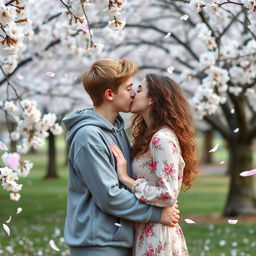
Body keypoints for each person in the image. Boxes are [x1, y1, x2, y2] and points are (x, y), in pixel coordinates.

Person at [62, 59, 180, 256]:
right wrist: (157, 214)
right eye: (128, 88)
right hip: (97, 243)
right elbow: (109, 195)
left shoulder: (116, 128)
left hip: (116, 238)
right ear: (109, 94)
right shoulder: (89, 137)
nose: (133, 93)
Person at [111, 73, 198, 256]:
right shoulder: (150, 136)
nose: (133, 93)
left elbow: (168, 194)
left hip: (158, 234)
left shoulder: (161, 139)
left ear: (152, 99)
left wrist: (126, 180)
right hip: (146, 228)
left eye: (139, 89)